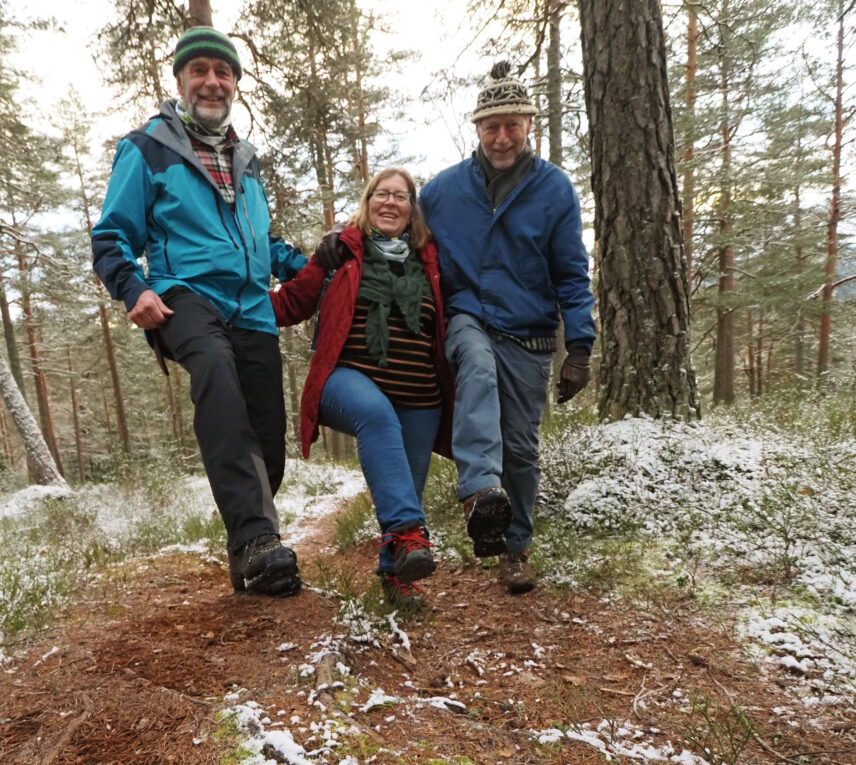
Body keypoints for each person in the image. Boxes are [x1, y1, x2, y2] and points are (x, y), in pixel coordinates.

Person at [91, 27, 309, 597]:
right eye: (200, 71)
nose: (212, 82)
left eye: (223, 72)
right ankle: (259, 541)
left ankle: (249, 552)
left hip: (253, 309)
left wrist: (315, 265)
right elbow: (111, 235)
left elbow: (262, 242)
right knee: (215, 376)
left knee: (268, 437)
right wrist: (132, 288)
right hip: (184, 296)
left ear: (235, 82)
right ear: (181, 80)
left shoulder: (246, 159)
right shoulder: (147, 148)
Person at [419, 61, 596, 595]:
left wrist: (580, 348)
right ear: (476, 129)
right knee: (474, 364)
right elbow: (401, 233)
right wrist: (348, 240)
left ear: (528, 125)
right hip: (468, 314)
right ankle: (478, 494)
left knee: (520, 446)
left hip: (529, 331)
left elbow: (571, 270)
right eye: (491, 126)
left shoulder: (554, 190)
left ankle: (513, 547)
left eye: (512, 125)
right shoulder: (443, 192)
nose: (502, 137)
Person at [271, 168, 454, 610]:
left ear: (414, 210)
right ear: (368, 201)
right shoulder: (341, 251)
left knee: (405, 488)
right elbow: (292, 302)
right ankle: (411, 535)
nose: (390, 203)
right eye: (381, 194)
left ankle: (398, 577)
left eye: (401, 196)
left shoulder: (431, 259)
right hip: (346, 379)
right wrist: (232, 304)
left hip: (420, 394)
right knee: (376, 415)